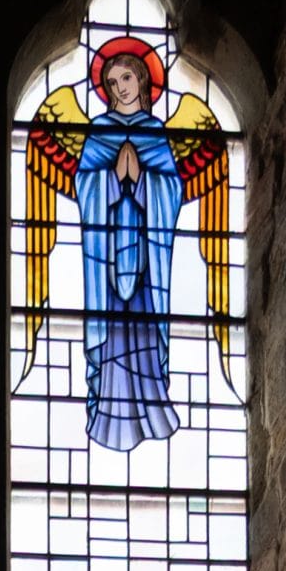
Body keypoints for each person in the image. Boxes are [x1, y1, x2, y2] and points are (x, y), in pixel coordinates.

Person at [70, 45, 187, 452]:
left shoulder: (155, 134)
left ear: (142, 80)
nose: (120, 88)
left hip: (145, 262)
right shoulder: (99, 131)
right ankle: (108, 413)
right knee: (114, 331)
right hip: (107, 259)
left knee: (143, 330)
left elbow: (173, 190)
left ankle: (153, 408)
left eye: (127, 78)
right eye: (112, 82)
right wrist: (111, 178)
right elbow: (83, 187)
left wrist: (140, 181)